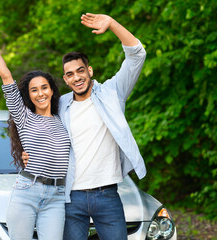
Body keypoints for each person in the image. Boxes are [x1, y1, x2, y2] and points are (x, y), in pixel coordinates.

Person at [23, 13, 147, 240]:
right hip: (70, 197)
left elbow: (137, 55)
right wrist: (28, 153)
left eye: (81, 71)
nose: (76, 77)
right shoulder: (59, 106)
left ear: (90, 71)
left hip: (107, 195)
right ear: (65, 79)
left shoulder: (112, 93)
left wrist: (112, 24)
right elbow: (36, 128)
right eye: (70, 74)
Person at [0, 23, 71, 240]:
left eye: (44, 87)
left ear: (52, 90)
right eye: (34, 90)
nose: (40, 93)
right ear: (28, 95)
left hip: (57, 196)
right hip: (28, 191)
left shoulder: (64, 117)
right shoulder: (24, 117)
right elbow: (6, 78)